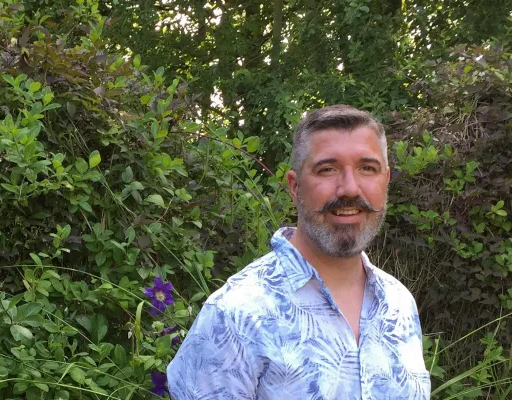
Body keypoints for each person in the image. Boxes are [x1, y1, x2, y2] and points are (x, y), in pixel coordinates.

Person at [166, 105, 431, 399]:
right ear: (295, 187)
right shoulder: (236, 316)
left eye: (367, 168)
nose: (349, 188)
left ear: (386, 181)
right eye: (327, 169)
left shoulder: (399, 305)